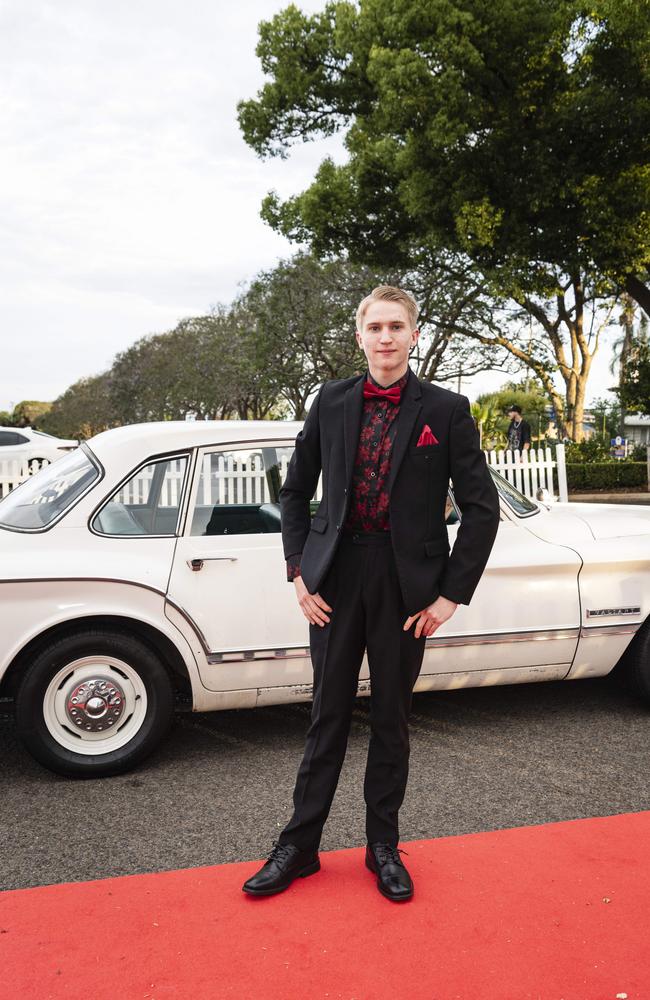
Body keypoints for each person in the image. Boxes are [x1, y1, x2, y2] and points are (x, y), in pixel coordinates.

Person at [242, 285, 500, 902]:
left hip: (407, 587)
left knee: (391, 718)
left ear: (414, 335)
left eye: (396, 327)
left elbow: (481, 509)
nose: (385, 337)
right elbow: (293, 491)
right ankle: (299, 847)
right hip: (334, 578)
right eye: (374, 327)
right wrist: (300, 572)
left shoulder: (447, 409)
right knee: (326, 717)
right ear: (359, 336)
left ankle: (382, 845)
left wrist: (449, 598)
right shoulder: (328, 401)